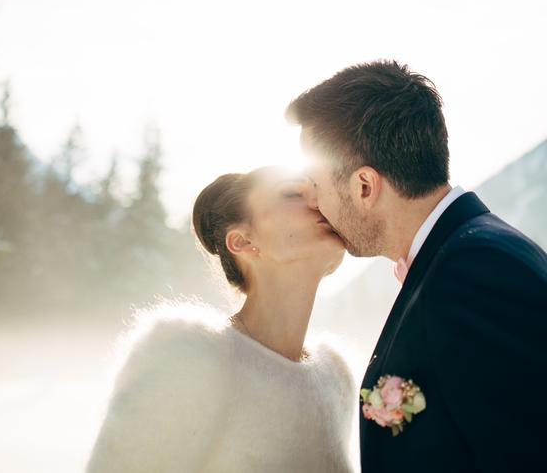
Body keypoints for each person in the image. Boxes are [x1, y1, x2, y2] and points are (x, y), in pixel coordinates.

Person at [286, 59, 547, 472]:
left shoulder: (477, 273)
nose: (314, 203)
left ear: (365, 187)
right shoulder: (464, 258)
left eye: (316, 186)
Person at [84, 165, 357, 473]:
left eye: (318, 192)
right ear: (242, 242)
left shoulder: (336, 377)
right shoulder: (189, 357)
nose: (319, 202)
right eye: (293, 193)